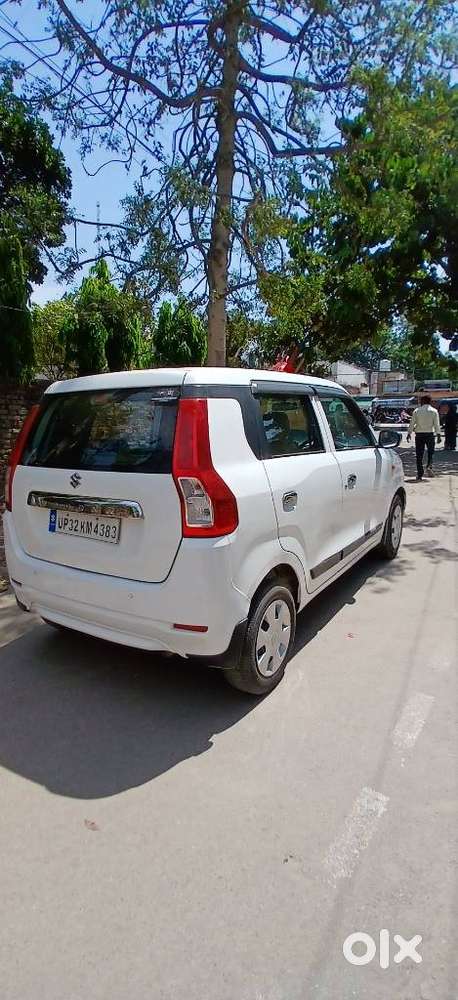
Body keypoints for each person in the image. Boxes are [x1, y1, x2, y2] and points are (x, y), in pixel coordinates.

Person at [407, 395, 441, 480]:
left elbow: (412, 423)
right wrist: (438, 435)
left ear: (422, 401)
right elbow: (436, 424)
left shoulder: (417, 411)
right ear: (430, 402)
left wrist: (409, 433)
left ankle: (420, 474)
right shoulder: (434, 411)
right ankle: (429, 465)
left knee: (419, 455)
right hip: (430, 434)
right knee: (431, 452)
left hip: (419, 435)